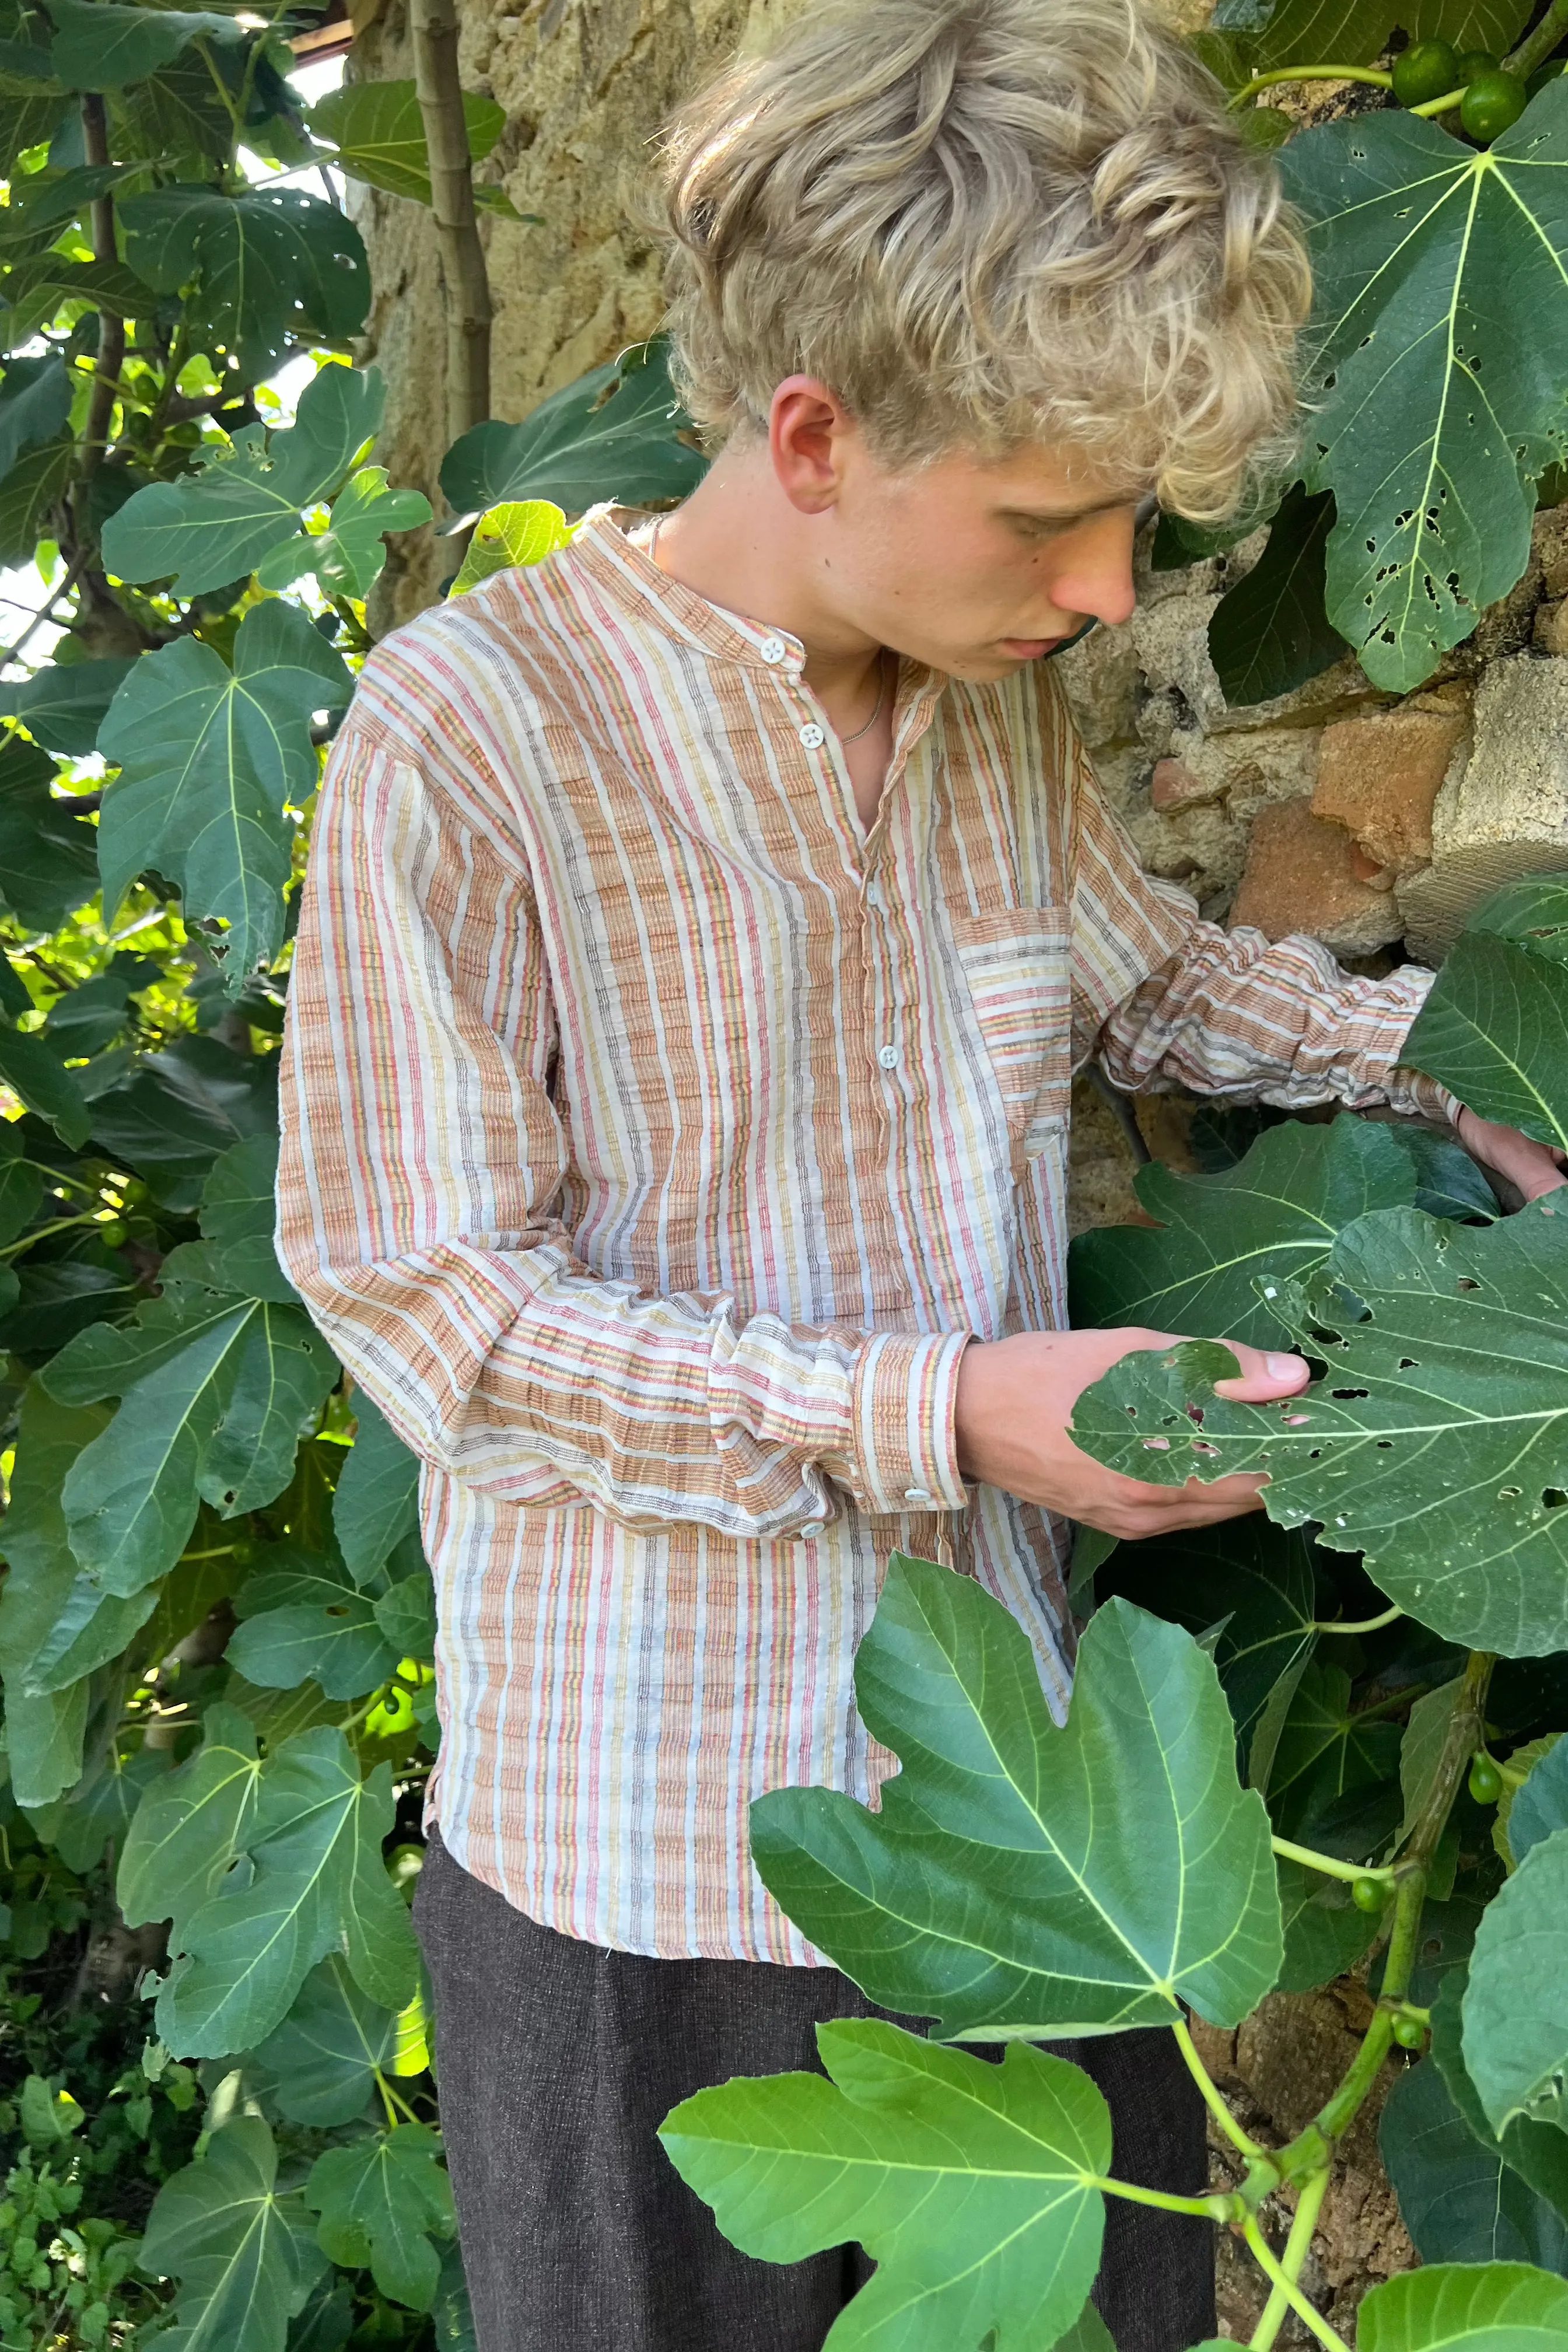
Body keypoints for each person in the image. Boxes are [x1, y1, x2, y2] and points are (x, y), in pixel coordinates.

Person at [275, 1, 1564, 2345]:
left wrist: (1442, 1062)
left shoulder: (985, 708)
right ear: (811, 429)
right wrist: (944, 1417)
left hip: (1033, 1857)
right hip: (640, 1885)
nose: (1100, 590)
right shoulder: (470, 732)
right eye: (1050, 517)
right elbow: (427, 1303)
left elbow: (1144, 989)